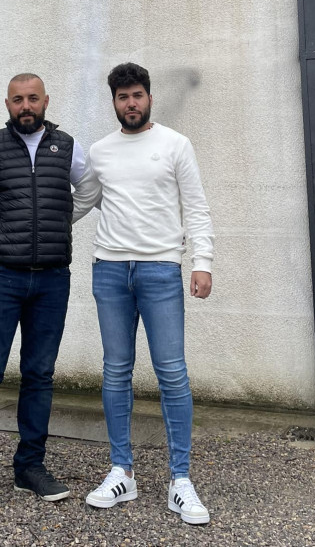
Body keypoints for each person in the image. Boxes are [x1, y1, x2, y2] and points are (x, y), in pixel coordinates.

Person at [73, 62, 214, 525]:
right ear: (113, 102)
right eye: (121, 97)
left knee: (172, 373)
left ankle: (180, 480)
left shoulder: (175, 144)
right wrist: (35, 219)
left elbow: (195, 207)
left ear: (148, 98)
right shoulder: (100, 151)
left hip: (160, 270)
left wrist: (202, 262)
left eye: (136, 95)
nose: (130, 103)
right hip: (109, 271)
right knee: (116, 372)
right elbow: (82, 202)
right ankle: (122, 472)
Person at [0, 73, 86, 516]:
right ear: (6, 104)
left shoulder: (66, 147)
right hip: (0, 276)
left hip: (51, 279)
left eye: (32, 99)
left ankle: (30, 467)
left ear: (46, 100)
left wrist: (61, 221)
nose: (25, 106)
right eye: (17, 100)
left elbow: (90, 189)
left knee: (40, 375)